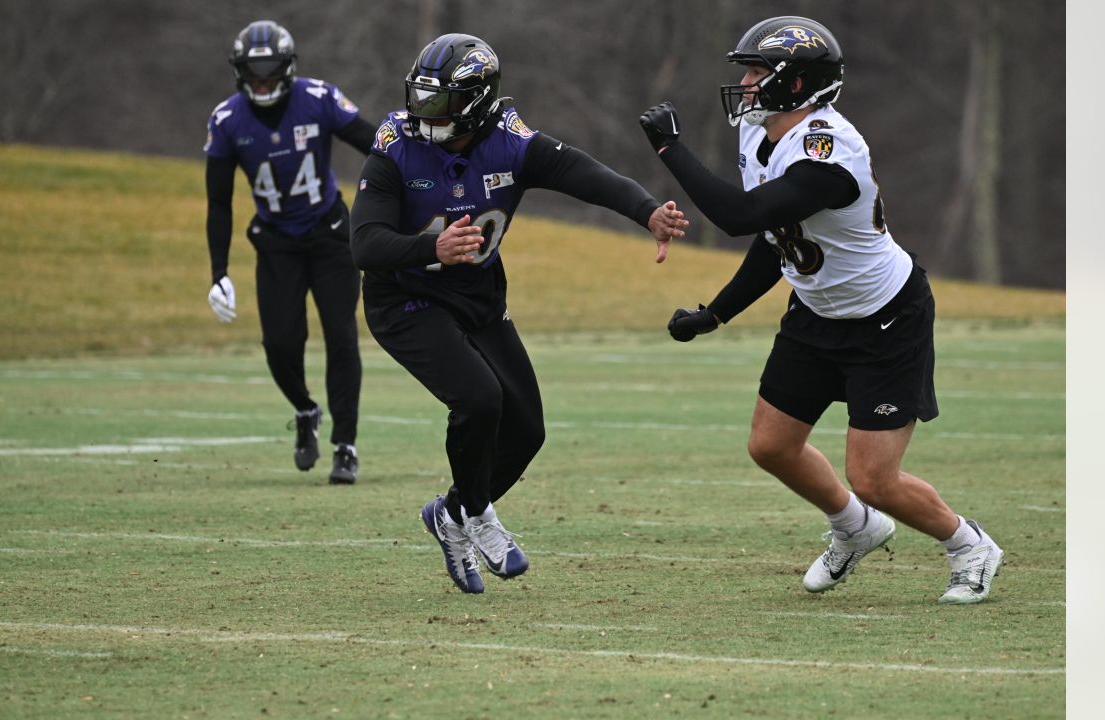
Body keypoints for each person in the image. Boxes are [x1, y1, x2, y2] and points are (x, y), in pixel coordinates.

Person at [637, 16, 1003, 604]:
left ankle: (969, 546)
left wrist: (668, 149)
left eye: (758, 71)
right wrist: (717, 314)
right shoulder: (761, 135)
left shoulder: (828, 151)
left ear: (798, 84)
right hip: (815, 310)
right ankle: (856, 528)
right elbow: (775, 237)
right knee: (771, 446)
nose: (748, 83)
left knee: (874, 478)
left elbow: (739, 218)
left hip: (885, 318)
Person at [351, 33, 689, 593]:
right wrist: (426, 249)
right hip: (404, 299)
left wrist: (648, 211)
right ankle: (479, 514)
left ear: (479, 103)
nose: (424, 114)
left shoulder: (513, 143)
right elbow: (364, 245)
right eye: (421, 98)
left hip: (477, 296)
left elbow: (588, 176)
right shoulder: (395, 147)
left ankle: (451, 513)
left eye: (442, 103)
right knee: (480, 398)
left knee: (527, 429)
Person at [204, 20, 376, 484]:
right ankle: (305, 410)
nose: (261, 82)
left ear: (288, 69)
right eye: (252, 74)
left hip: (328, 234)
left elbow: (375, 144)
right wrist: (218, 271)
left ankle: (346, 445)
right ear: (239, 73)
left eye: (270, 72)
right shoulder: (227, 121)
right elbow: (219, 202)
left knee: (341, 334)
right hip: (276, 241)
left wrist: (406, 185)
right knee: (280, 343)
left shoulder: (318, 99)